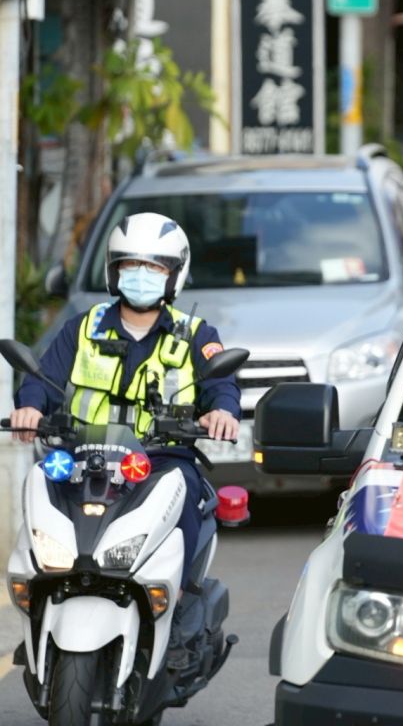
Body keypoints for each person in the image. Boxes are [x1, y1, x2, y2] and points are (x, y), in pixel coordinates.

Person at [10, 212, 241, 587]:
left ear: (174, 274)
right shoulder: (83, 328)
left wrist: (222, 412)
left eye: (153, 266)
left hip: (160, 458)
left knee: (183, 489)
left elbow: (222, 384)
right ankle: (41, 593)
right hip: (84, 456)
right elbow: (44, 376)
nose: (140, 273)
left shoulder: (195, 334)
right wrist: (30, 408)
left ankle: (175, 599)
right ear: (113, 271)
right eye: (129, 264)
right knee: (41, 487)